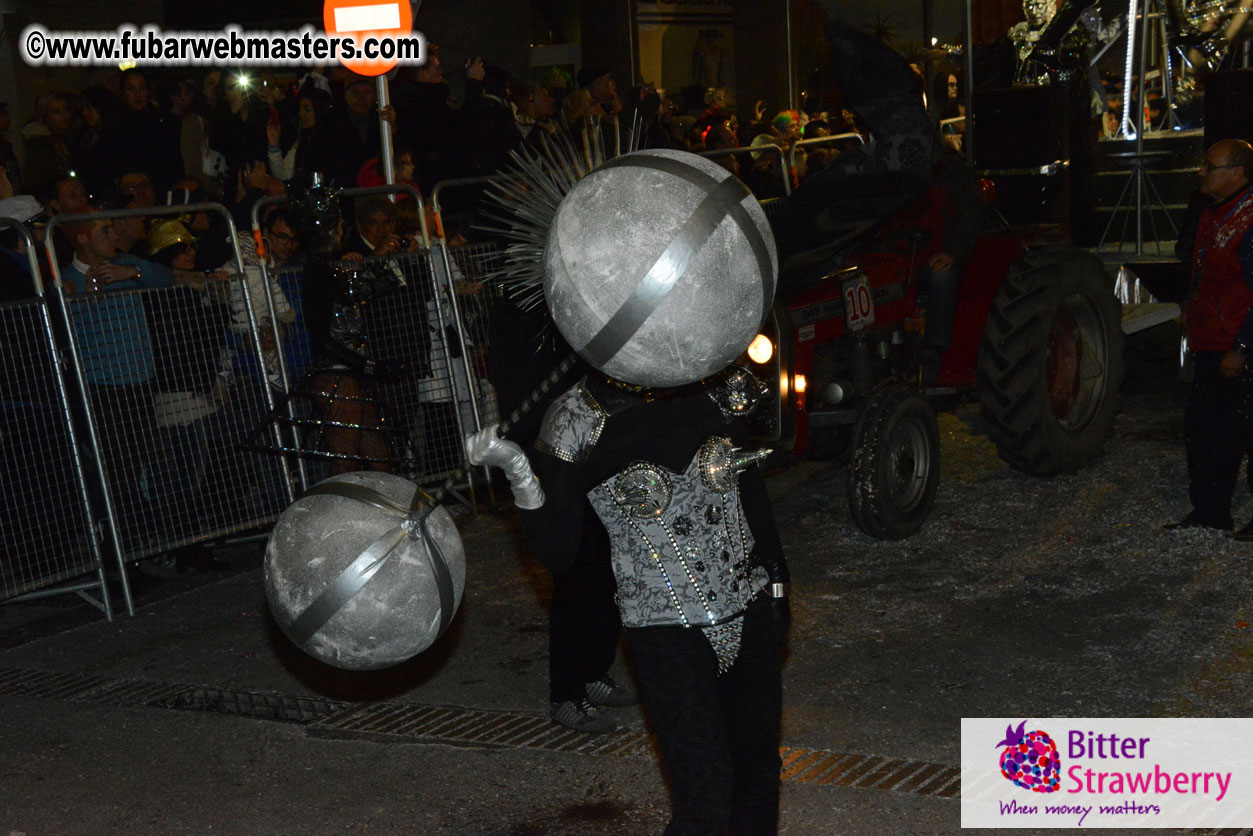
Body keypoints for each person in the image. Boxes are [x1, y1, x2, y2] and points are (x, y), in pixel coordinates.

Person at [467, 365, 790, 835]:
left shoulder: (706, 378)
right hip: (665, 628)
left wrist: (778, 586)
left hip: (750, 606)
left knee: (759, 777)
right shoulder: (578, 417)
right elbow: (558, 553)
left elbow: (750, 492)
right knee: (705, 799)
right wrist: (518, 469)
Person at [1166, 139, 1253, 537]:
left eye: (1210, 166)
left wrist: (1242, 347)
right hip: (1212, 340)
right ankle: (1210, 511)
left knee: (1243, 428)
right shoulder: (1213, 212)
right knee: (1204, 430)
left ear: (1237, 173)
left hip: (1236, 341)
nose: (1201, 172)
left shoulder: (1248, 220)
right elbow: (1202, 266)